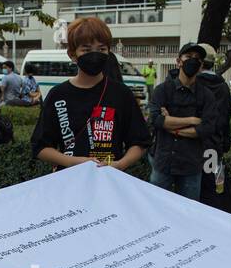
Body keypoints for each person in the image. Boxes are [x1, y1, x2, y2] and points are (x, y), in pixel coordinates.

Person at [31, 16, 150, 172]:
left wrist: (119, 165)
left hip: (108, 183)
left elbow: (140, 142)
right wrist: (72, 162)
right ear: (72, 54)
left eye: (101, 49)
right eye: (86, 50)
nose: (95, 55)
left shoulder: (121, 94)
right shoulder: (58, 95)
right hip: (69, 182)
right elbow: (40, 147)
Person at [149, 43, 217, 199]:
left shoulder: (206, 96)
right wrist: (192, 120)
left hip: (191, 166)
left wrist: (171, 125)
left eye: (197, 59)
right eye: (188, 57)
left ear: (201, 66)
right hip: (163, 162)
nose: (193, 61)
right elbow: (156, 120)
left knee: (188, 214)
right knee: (155, 208)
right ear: (178, 61)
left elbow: (206, 129)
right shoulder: (162, 90)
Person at [195, 44, 231, 215]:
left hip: (193, 145)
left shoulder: (194, 84)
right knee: (213, 188)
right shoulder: (222, 87)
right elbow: (225, 119)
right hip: (213, 148)